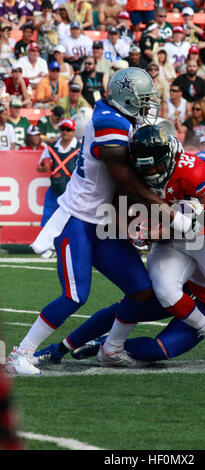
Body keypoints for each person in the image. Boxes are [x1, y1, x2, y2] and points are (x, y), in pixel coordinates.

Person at [5, 67, 189, 376]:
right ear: (127, 99)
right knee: (75, 294)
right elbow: (126, 182)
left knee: (141, 289)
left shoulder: (119, 117)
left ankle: (112, 348)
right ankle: (20, 353)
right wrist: (170, 214)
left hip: (102, 223)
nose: (147, 106)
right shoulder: (108, 123)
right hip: (76, 219)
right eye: (142, 100)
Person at [37, 158, 205, 374]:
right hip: (188, 285)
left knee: (156, 351)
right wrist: (149, 232)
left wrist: (199, 218)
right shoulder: (200, 200)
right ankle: (61, 347)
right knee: (134, 300)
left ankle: (103, 344)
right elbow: (181, 230)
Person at [93, 129, 205, 372]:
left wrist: (152, 230)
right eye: (145, 168)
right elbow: (126, 207)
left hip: (201, 233)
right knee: (165, 291)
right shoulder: (132, 172)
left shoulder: (194, 172)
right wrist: (140, 229)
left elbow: (195, 223)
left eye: (157, 166)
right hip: (177, 241)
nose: (152, 173)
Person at [37, 118, 81, 233]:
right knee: (48, 218)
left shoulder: (80, 149)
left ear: (74, 131)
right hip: (55, 190)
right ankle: (47, 248)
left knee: (72, 221)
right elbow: (39, 167)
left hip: (73, 192)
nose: (65, 132)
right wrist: (42, 168)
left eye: (68, 129)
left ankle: (68, 246)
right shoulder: (51, 148)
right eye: (63, 129)